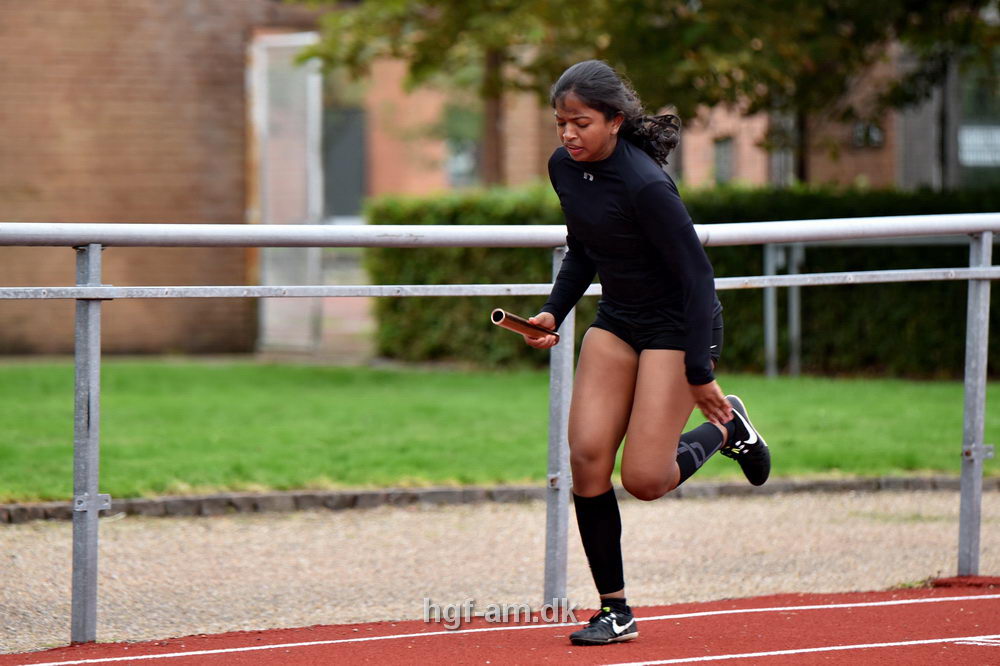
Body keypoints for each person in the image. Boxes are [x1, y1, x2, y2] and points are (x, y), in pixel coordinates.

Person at [520, 60, 771, 646]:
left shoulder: (645, 185)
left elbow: (697, 279)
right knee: (585, 458)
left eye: (579, 122)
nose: (567, 135)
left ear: (614, 120)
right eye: (560, 123)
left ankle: (728, 424)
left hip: (677, 327)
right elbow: (582, 250)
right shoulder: (565, 168)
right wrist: (553, 311)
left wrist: (700, 371)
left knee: (646, 478)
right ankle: (615, 610)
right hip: (618, 322)